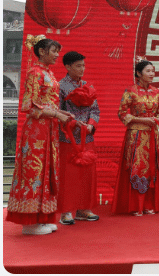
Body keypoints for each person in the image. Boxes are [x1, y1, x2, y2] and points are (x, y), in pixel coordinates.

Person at [7, 37, 73, 235]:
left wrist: (60, 112)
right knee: (34, 172)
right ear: (42, 51)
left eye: (58, 51)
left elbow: (47, 102)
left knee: (47, 171)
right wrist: (57, 115)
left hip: (49, 128)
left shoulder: (48, 73)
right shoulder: (35, 73)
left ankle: (42, 218)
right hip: (36, 131)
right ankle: (29, 223)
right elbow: (29, 106)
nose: (57, 55)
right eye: (54, 51)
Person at [113, 59, 159, 216]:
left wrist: (157, 119)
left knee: (152, 167)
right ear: (138, 73)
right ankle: (136, 205)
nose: (152, 74)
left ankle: (149, 204)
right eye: (148, 71)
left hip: (152, 135)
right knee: (138, 167)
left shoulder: (156, 91)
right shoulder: (130, 91)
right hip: (136, 135)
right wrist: (142, 120)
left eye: (153, 71)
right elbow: (122, 114)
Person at [58, 50, 100, 225]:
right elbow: (57, 111)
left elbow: (95, 110)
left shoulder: (88, 86)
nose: (82, 69)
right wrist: (73, 123)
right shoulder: (60, 87)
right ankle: (66, 211)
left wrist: (91, 124)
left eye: (83, 65)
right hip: (68, 137)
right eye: (78, 66)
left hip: (86, 137)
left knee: (86, 174)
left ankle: (84, 209)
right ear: (68, 67)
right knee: (69, 175)